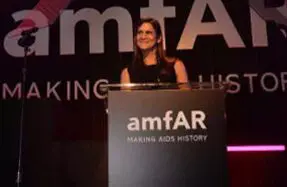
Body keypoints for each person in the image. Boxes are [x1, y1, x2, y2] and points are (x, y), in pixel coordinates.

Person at [120, 17, 189, 89]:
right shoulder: (127, 72)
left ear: (158, 38)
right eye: (140, 32)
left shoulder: (176, 66)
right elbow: (126, 100)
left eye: (148, 32)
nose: (143, 36)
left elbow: (186, 98)